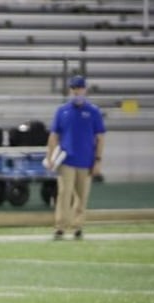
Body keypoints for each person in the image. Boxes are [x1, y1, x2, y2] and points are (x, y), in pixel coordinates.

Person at [45, 75, 106, 241]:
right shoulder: (62, 111)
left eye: (79, 88)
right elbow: (53, 136)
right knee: (64, 194)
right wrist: (50, 157)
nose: (76, 91)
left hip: (86, 161)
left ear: (85, 89)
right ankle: (60, 227)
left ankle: (78, 226)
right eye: (74, 88)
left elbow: (100, 137)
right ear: (70, 90)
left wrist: (98, 160)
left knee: (82, 196)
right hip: (66, 160)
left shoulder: (93, 112)